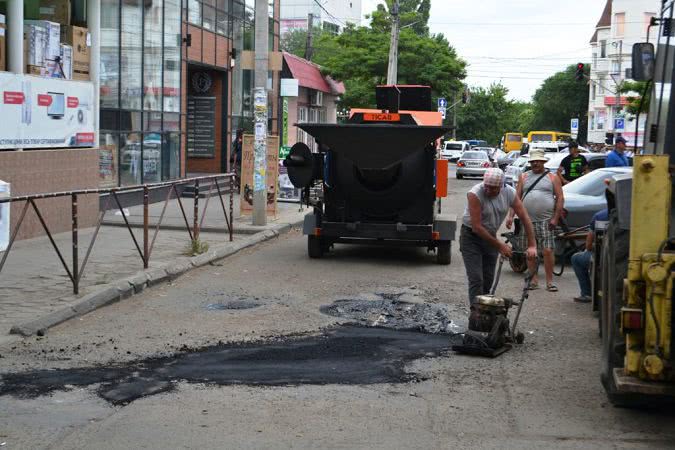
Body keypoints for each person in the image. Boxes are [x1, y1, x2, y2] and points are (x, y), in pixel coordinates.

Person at [460, 168, 538, 306]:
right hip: (471, 237)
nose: (488, 191)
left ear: (502, 186)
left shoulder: (510, 193)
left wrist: (532, 245)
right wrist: (500, 245)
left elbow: (525, 218)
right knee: (476, 279)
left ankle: (484, 310)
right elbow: (477, 227)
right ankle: (475, 316)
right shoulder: (475, 193)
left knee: (488, 278)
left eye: (493, 188)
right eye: (487, 187)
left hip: (489, 235)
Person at [506, 149, 564, 292]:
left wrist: (555, 218)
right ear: (530, 163)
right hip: (527, 221)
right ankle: (533, 280)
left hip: (546, 220)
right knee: (529, 251)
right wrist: (510, 216)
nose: (536, 163)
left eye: (538, 161)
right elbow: (516, 198)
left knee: (548, 250)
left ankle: (550, 282)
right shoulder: (524, 177)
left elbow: (560, 198)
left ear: (543, 162)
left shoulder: (552, 177)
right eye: (533, 161)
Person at [571, 208, 609, 303]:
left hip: (602, 257)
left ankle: (587, 294)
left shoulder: (600, 216)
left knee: (576, 258)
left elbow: (588, 246)